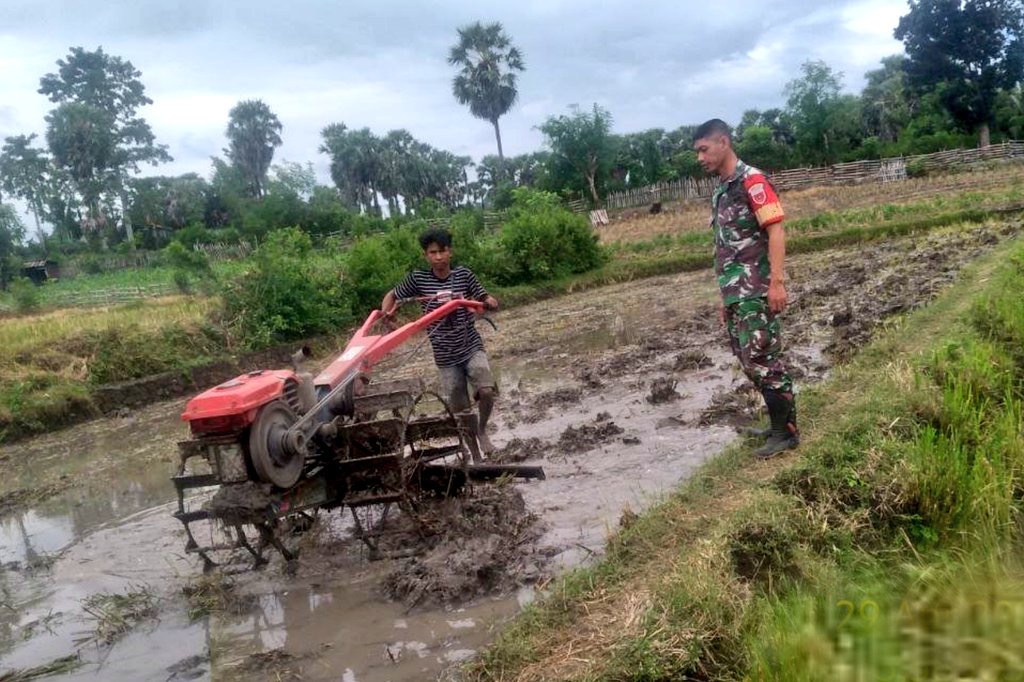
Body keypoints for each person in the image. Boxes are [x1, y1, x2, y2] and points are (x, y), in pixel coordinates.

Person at [692, 119, 799, 458]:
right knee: (748, 360)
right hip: (736, 293)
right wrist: (726, 297)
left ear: (723, 142)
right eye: (697, 152)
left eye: (703, 150)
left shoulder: (752, 181)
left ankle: (786, 433)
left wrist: (777, 283)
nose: (700, 158)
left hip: (756, 289)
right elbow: (726, 247)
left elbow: (776, 230)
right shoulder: (722, 189)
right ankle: (778, 425)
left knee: (763, 358)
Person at [381, 228, 500, 459]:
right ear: (426, 255)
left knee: (486, 390)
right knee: (461, 410)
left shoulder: (463, 275)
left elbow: (483, 296)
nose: (438, 257)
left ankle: (483, 431)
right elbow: (392, 295)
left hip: (470, 345)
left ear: (450, 252)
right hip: (445, 356)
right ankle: (475, 456)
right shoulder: (418, 279)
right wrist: (387, 315)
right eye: (433, 252)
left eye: (442, 251)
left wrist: (489, 301)